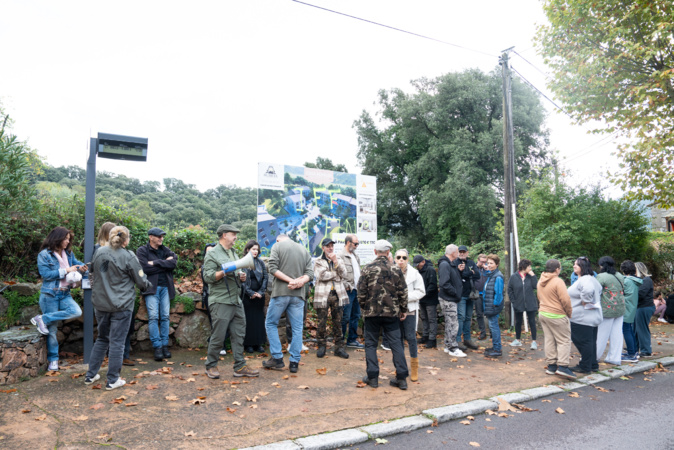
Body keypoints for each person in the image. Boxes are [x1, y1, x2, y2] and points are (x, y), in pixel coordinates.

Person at [85, 226, 151, 390]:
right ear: (126, 239)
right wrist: (146, 286)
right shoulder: (129, 256)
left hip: (101, 304)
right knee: (117, 343)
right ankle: (113, 380)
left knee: (102, 338)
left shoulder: (99, 252)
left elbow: (94, 272)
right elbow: (141, 279)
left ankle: (90, 375)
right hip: (121, 305)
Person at [202, 224, 259, 379]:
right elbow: (207, 277)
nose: (235, 237)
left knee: (239, 333)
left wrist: (241, 277)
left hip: (235, 299)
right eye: (233, 234)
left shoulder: (233, 252)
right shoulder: (212, 254)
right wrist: (224, 271)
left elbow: (238, 270)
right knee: (219, 335)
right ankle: (211, 365)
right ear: (224, 235)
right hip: (221, 300)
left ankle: (239, 366)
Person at [32, 227, 87, 371]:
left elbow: (76, 262)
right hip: (50, 294)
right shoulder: (44, 255)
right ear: (57, 238)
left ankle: (42, 318)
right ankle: (53, 360)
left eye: (69, 238)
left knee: (76, 311)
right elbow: (46, 274)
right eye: (66, 238)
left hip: (64, 293)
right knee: (52, 329)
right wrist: (66, 271)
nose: (68, 241)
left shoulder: (68, 253)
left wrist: (82, 267)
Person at [358, 239, 409, 390]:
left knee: (371, 344)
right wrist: (403, 310)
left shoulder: (367, 269)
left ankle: (373, 378)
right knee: (396, 345)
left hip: (372, 314)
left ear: (375, 252)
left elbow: (361, 292)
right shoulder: (395, 269)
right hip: (391, 314)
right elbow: (403, 292)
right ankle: (401, 379)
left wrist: (365, 308)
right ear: (388, 253)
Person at [263, 234, 313, 373]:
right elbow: (310, 273)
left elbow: (272, 268)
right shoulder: (303, 249)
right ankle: (294, 362)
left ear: (278, 239)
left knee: (270, 323)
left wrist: (289, 281)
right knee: (297, 328)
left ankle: (277, 358)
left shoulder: (277, 246)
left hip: (280, 293)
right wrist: (299, 281)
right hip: (298, 295)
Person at [136, 227, 178, 362]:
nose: (161, 238)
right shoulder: (142, 250)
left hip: (166, 287)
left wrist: (155, 262)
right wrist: (164, 264)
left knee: (165, 317)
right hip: (150, 288)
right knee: (153, 317)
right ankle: (157, 347)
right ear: (151, 237)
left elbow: (173, 263)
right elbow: (144, 268)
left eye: (162, 236)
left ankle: (165, 346)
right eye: (158, 236)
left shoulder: (165, 250)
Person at [537, 259, 575, 379]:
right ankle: (563, 366)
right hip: (557, 315)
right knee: (563, 340)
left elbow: (539, 297)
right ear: (557, 269)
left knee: (549, 339)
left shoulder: (541, 280)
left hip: (543, 313)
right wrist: (569, 313)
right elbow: (565, 300)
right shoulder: (558, 281)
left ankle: (551, 366)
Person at [313, 238, 350, 359]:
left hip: (337, 294)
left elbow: (344, 274)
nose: (330, 248)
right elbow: (322, 275)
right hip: (323, 295)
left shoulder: (338, 259)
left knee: (338, 322)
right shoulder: (318, 261)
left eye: (331, 246)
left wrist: (335, 262)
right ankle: (321, 346)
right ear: (323, 248)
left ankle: (339, 348)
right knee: (321, 322)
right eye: (327, 246)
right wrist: (336, 274)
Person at [394, 249, 425, 381]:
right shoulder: (391, 272)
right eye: (398, 257)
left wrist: (405, 297)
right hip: (395, 311)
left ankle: (414, 368)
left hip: (410, 310)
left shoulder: (414, 273)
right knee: (397, 339)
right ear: (395, 258)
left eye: (404, 257)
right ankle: (401, 368)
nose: (401, 260)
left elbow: (421, 291)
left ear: (407, 259)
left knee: (411, 338)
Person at [568, 257, 603, 374]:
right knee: (590, 342)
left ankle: (585, 366)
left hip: (582, 317)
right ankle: (592, 364)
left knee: (583, 342)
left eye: (576, 265)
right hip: (589, 317)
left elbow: (588, 291)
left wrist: (586, 300)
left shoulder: (586, 279)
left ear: (582, 267)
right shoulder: (591, 279)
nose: (574, 266)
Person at [595, 256, 625, 366]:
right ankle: (615, 358)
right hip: (620, 308)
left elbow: (596, 292)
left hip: (607, 309)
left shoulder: (601, 276)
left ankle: (595, 357)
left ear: (601, 265)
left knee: (601, 335)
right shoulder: (619, 275)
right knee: (617, 334)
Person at [437, 244, 466, 358]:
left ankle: (448, 345)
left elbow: (452, 278)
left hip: (451, 298)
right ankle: (453, 348)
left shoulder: (450, 264)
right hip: (448, 299)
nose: (459, 253)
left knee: (450, 323)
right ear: (453, 253)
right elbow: (444, 283)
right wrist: (455, 292)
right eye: (457, 251)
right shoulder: (445, 264)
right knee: (453, 324)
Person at [241, 240, 268, 354]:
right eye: (253, 249)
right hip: (248, 297)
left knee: (259, 320)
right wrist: (251, 293)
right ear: (248, 249)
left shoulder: (261, 263)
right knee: (249, 320)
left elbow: (265, 278)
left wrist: (260, 293)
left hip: (259, 296)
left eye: (257, 249)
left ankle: (259, 344)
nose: (256, 251)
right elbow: (242, 281)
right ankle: (248, 345)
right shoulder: (243, 263)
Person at [507, 259, 539, 349]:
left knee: (532, 322)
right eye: (529, 266)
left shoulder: (530, 276)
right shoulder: (514, 277)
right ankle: (517, 340)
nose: (530, 268)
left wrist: (533, 276)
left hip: (530, 303)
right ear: (523, 267)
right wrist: (514, 301)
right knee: (518, 322)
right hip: (518, 303)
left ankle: (534, 342)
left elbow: (535, 286)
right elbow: (510, 290)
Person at [340, 234, 364, 349]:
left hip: (356, 290)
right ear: (348, 243)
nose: (356, 246)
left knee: (356, 315)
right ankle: (340, 341)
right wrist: (346, 285)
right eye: (355, 244)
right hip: (347, 291)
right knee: (345, 316)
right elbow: (338, 273)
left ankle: (352, 340)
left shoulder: (355, 255)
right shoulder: (341, 256)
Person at [456, 245, 481, 351]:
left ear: (467, 253)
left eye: (464, 252)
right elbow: (458, 276)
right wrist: (471, 273)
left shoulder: (471, 263)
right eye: (460, 252)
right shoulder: (455, 263)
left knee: (468, 317)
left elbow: (478, 275)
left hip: (471, 295)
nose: (462, 253)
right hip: (461, 295)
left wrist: (465, 274)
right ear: (457, 253)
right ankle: (457, 340)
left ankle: (467, 339)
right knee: (460, 317)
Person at [413, 255, 438, 348]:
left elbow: (433, 285)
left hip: (430, 299)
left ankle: (432, 339)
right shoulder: (418, 271)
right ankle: (425, 336)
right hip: (422, 299)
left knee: (431, 319)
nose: (416, 266)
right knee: (424, 317)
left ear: (423, 262)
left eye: (418, 264)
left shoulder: (430, 270)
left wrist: (423, 294)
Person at [482, 254, 504, 358]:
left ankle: (497, 349)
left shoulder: (498, 276)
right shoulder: (492, 275)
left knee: (494, 327)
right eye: (488, 263)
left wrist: (495, 305)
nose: (489, 265)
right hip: (490, 306)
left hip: (493, 307)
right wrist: (487, 269)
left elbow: (498, 294)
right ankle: (495, 347)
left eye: (491, 263)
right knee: (492, 326)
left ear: (497, 264)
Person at [620, 260, 642, 363]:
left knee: (626, 330)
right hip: (632, 308)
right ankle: (633, 351)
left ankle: (631, 354)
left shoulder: (626, 280)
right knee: (629, 330)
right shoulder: (635, 280)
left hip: (626, 308)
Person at [634, 262, 655, 357]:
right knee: (636, 328)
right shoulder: (643, 280)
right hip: (641, 307)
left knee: (642, 329)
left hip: (644, 307)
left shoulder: (646, 280)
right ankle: (635, 347)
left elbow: (641, 294)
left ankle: (646, 350)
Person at [473, 254, 488, 340]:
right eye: (482, 262)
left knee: (489, 312)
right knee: (479, 314)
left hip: (486, 294)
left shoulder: (487, 269)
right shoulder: (473, 268)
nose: (483, 263)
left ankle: (492, 332)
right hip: (477, 294)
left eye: (485, 262)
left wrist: (487, 269)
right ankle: (483, 332)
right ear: (478, 260)